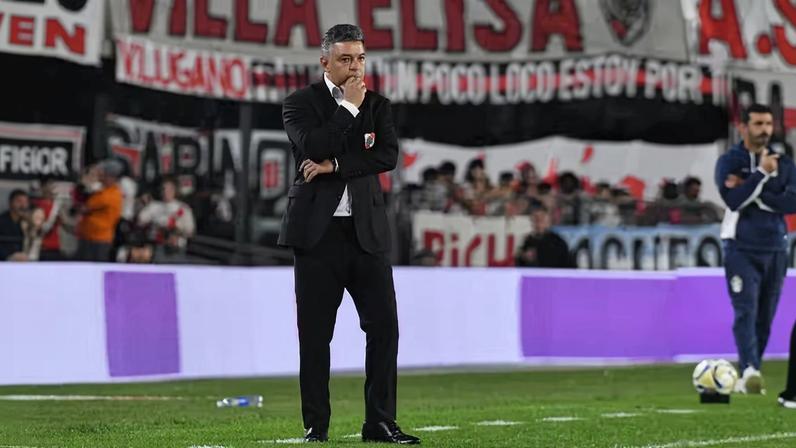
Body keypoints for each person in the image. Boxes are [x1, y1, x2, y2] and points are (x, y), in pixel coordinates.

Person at [278, 24, 419, 444]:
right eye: (345, 59)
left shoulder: (378, 105)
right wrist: (349, 109)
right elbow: (313, 145)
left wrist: (335, 166)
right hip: (316, 236)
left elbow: (387, 156)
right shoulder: (299, 103)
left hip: (366, 234)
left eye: (360, 58)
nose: (355, 67)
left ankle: (380, 422)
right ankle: (316, 427)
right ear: (325, 62)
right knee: (315, 336)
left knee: (385, 328)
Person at [714, 103, 796, 394]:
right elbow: (733, 200)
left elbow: (792, 203)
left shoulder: (784, 163)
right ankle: (749, 369)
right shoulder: (729, 161)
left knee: (765, 315)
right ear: (743, 127)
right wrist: (761, 174)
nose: (765, 130)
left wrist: (754, 191)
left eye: (768, 124)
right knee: (745, 310)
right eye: (758, 124)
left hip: (775, 247)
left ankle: (752, 371)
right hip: (741, 247)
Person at [75, 159, 124, 262]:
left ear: (111, 177)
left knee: (93, 267)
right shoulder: (104, 191)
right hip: (89, 237)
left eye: (103, 174)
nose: (100, 177)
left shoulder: (111, 194)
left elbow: (85, 208)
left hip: (99, 239)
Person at [515, 203, 575, 268]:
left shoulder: (558, 242)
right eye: (536, 218)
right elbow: (519, 264)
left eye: (542, 218)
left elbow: (567, 265)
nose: (539, 221)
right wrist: (524, 257)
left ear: (548, 220)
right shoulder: (527, 241)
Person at [0, 189, 30, 261]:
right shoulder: (1, 221)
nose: (23, 206)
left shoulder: (29, 222)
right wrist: (8, 256)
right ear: (10, 203)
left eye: (25, 202)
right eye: (19, 201)